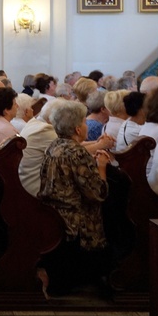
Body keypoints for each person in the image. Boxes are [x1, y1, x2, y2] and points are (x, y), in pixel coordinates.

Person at [37, 100, 110, 295]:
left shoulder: (55, 145)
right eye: (85, 123)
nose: (87, 126)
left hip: (53, 212)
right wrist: (101, 166)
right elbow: (97, 193)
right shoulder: (76, 152)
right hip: (75, 218)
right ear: (78, 129)